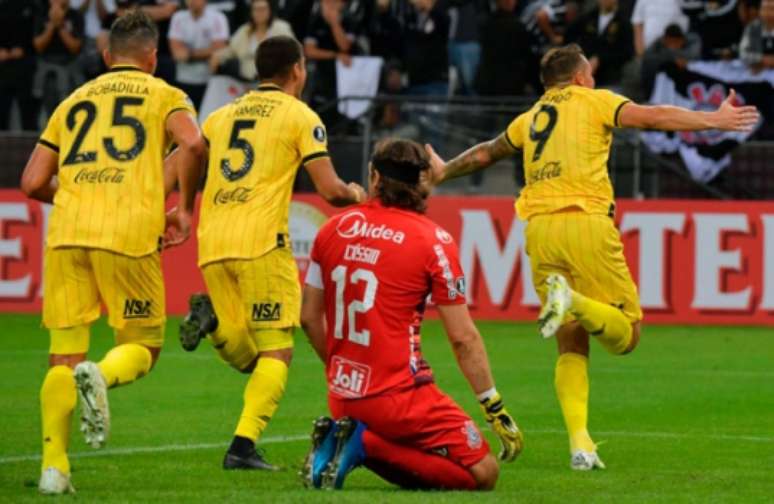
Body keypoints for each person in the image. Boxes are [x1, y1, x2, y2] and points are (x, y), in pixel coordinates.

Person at [426, 43, 759, 470]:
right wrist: (714, 119)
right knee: (629, 336)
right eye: (591, 75)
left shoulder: (529, 119)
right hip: (585, 220)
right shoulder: (595, 101)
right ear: (581, 77)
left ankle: (581, 445)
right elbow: (652, 116)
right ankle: (574, 302)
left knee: (570, 339)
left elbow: (488, 151)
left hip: (540, 229)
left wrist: (443, 170)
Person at [20, 9, 205, 494]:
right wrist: (184, 209)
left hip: (66, 234)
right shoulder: (165, 93)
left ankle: (54, 470)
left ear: (105, 57)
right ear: (154, 57)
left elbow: (32, 181)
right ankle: (99, 374)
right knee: (144, 346)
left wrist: (78, 196)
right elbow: (194, 143)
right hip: (128, 231)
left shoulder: (72, 100)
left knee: (61, 357)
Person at [178, 35, 365, 471]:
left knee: (248, 356)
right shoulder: (301, 116)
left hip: (214, 241)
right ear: (298, 69)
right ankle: (241, 448)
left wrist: (184, 207)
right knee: (277, 351)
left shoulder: (221, 115)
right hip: (261, 242)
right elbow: (330, 189)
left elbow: (186, 155)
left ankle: (215, 326)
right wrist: (357, 193)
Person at [299, 138, 523, 491]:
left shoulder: (332, 229)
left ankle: (348, 439)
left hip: (341, 396)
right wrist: (491, 403)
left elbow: (309, 318)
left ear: (374, 178)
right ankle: (363, 445)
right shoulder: (432, 241)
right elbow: (463, 338)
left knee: (403, 443)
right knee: (483, 471)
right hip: (400, 398)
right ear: (422, 182)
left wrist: (343, 370)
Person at [210, 0, 295, 81]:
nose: (259, 13)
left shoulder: (281, 28)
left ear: (269, 10)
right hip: (248, 80)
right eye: (256, 9)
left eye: (262, 9)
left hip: (276, 81)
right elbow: (230, 50)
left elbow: (293, 53)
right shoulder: (245, 30)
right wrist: (217, 56)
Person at [168, 0, 230, 107]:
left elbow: (220, 48)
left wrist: (190, 54)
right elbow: (177, 53)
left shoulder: (218, 18)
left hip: (209, 80)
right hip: (183, 77)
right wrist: (207, 52)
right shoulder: (178, 17)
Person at [33, 0, 86, 120]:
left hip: (70, 66)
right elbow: (38, 46)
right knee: (47, 111)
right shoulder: (41, 14)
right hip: (47, 68)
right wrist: (52, 24)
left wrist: (61, 25)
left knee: (70, 110)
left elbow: (75, 47)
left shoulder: (76, 15)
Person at [564, 0, 633, 89]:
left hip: (611, 79)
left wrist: (599, 59)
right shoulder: (588, 18)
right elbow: (568, 36)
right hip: (583, 77)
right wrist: (580, 58)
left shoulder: (624, 22)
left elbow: (627, 53)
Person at [0, 0, 38, 130]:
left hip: (26, 62)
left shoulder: (34, 6)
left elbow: (37, 33)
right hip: (2, 64)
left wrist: (26, 49)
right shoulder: (2, 6)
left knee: (27, 108)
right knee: (2, 108)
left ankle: (33, 147)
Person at [740, 0, 774, 72]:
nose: (768, 13)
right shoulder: (752, 28)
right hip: (758, 70)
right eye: (765, 9)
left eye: (771, 9)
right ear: (760, 11)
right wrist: (761, 59)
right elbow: (743, 54)